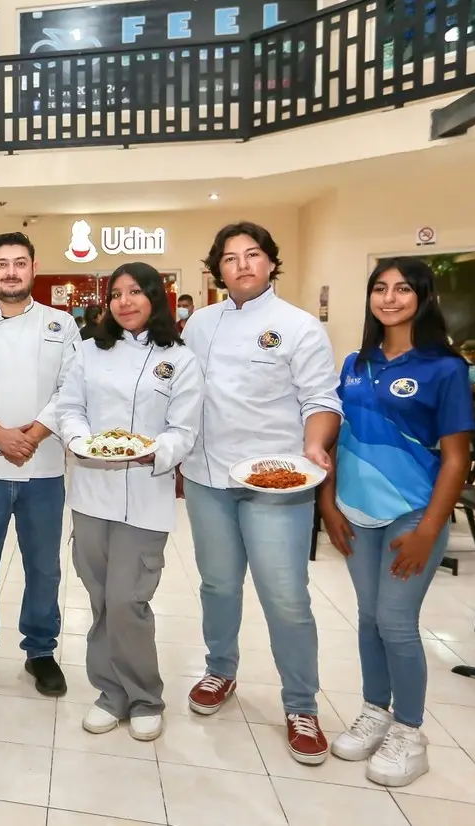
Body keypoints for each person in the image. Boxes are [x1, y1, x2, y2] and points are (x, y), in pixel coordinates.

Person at [180, 221, 342, 765]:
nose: (242, 265)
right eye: (230, 258)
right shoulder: (198, 325)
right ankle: (219, 670)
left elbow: (322, 400)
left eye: (253, 255)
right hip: (207, 478)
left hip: (276, 481)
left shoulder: (298, 327)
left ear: (272, 262)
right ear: (217, 269)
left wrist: (317, 447)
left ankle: (301, 704)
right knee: (218, 586)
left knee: (286, 598)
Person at [319, 258, 473, 787]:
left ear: (423, 297)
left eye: (402, 289)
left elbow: (456, 457)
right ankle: (375, 710)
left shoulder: (445, 368)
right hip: (357, 511)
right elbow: (335, 438)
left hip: (413, 512)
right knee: (367, 618)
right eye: (379, 288)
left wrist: (431, 528)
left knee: (397, 622)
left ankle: (410, 730)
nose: (389, 298)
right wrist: (329, 506)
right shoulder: (355, 363)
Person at [57, 263, 202, 741]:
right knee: (99, 599)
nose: (125, 302)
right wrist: (81, 440)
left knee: (127, 601)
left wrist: (153, 452)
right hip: (92, 492)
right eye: (117, 293)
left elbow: (184, 429)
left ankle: (144, 695)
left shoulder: (179, 359)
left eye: (136, 292)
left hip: (145, 496)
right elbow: (70, 407)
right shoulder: (89, 352)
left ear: (156, 297)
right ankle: (109, 692)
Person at [0, 232, 79, 697]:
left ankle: (41, 651)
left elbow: (72, 389)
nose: (11, 271)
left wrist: (35, 432)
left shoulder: (61, 325)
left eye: (19, 263)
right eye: (2, 263)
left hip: (42, 468)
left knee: (44, 567)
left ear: (33, 267)